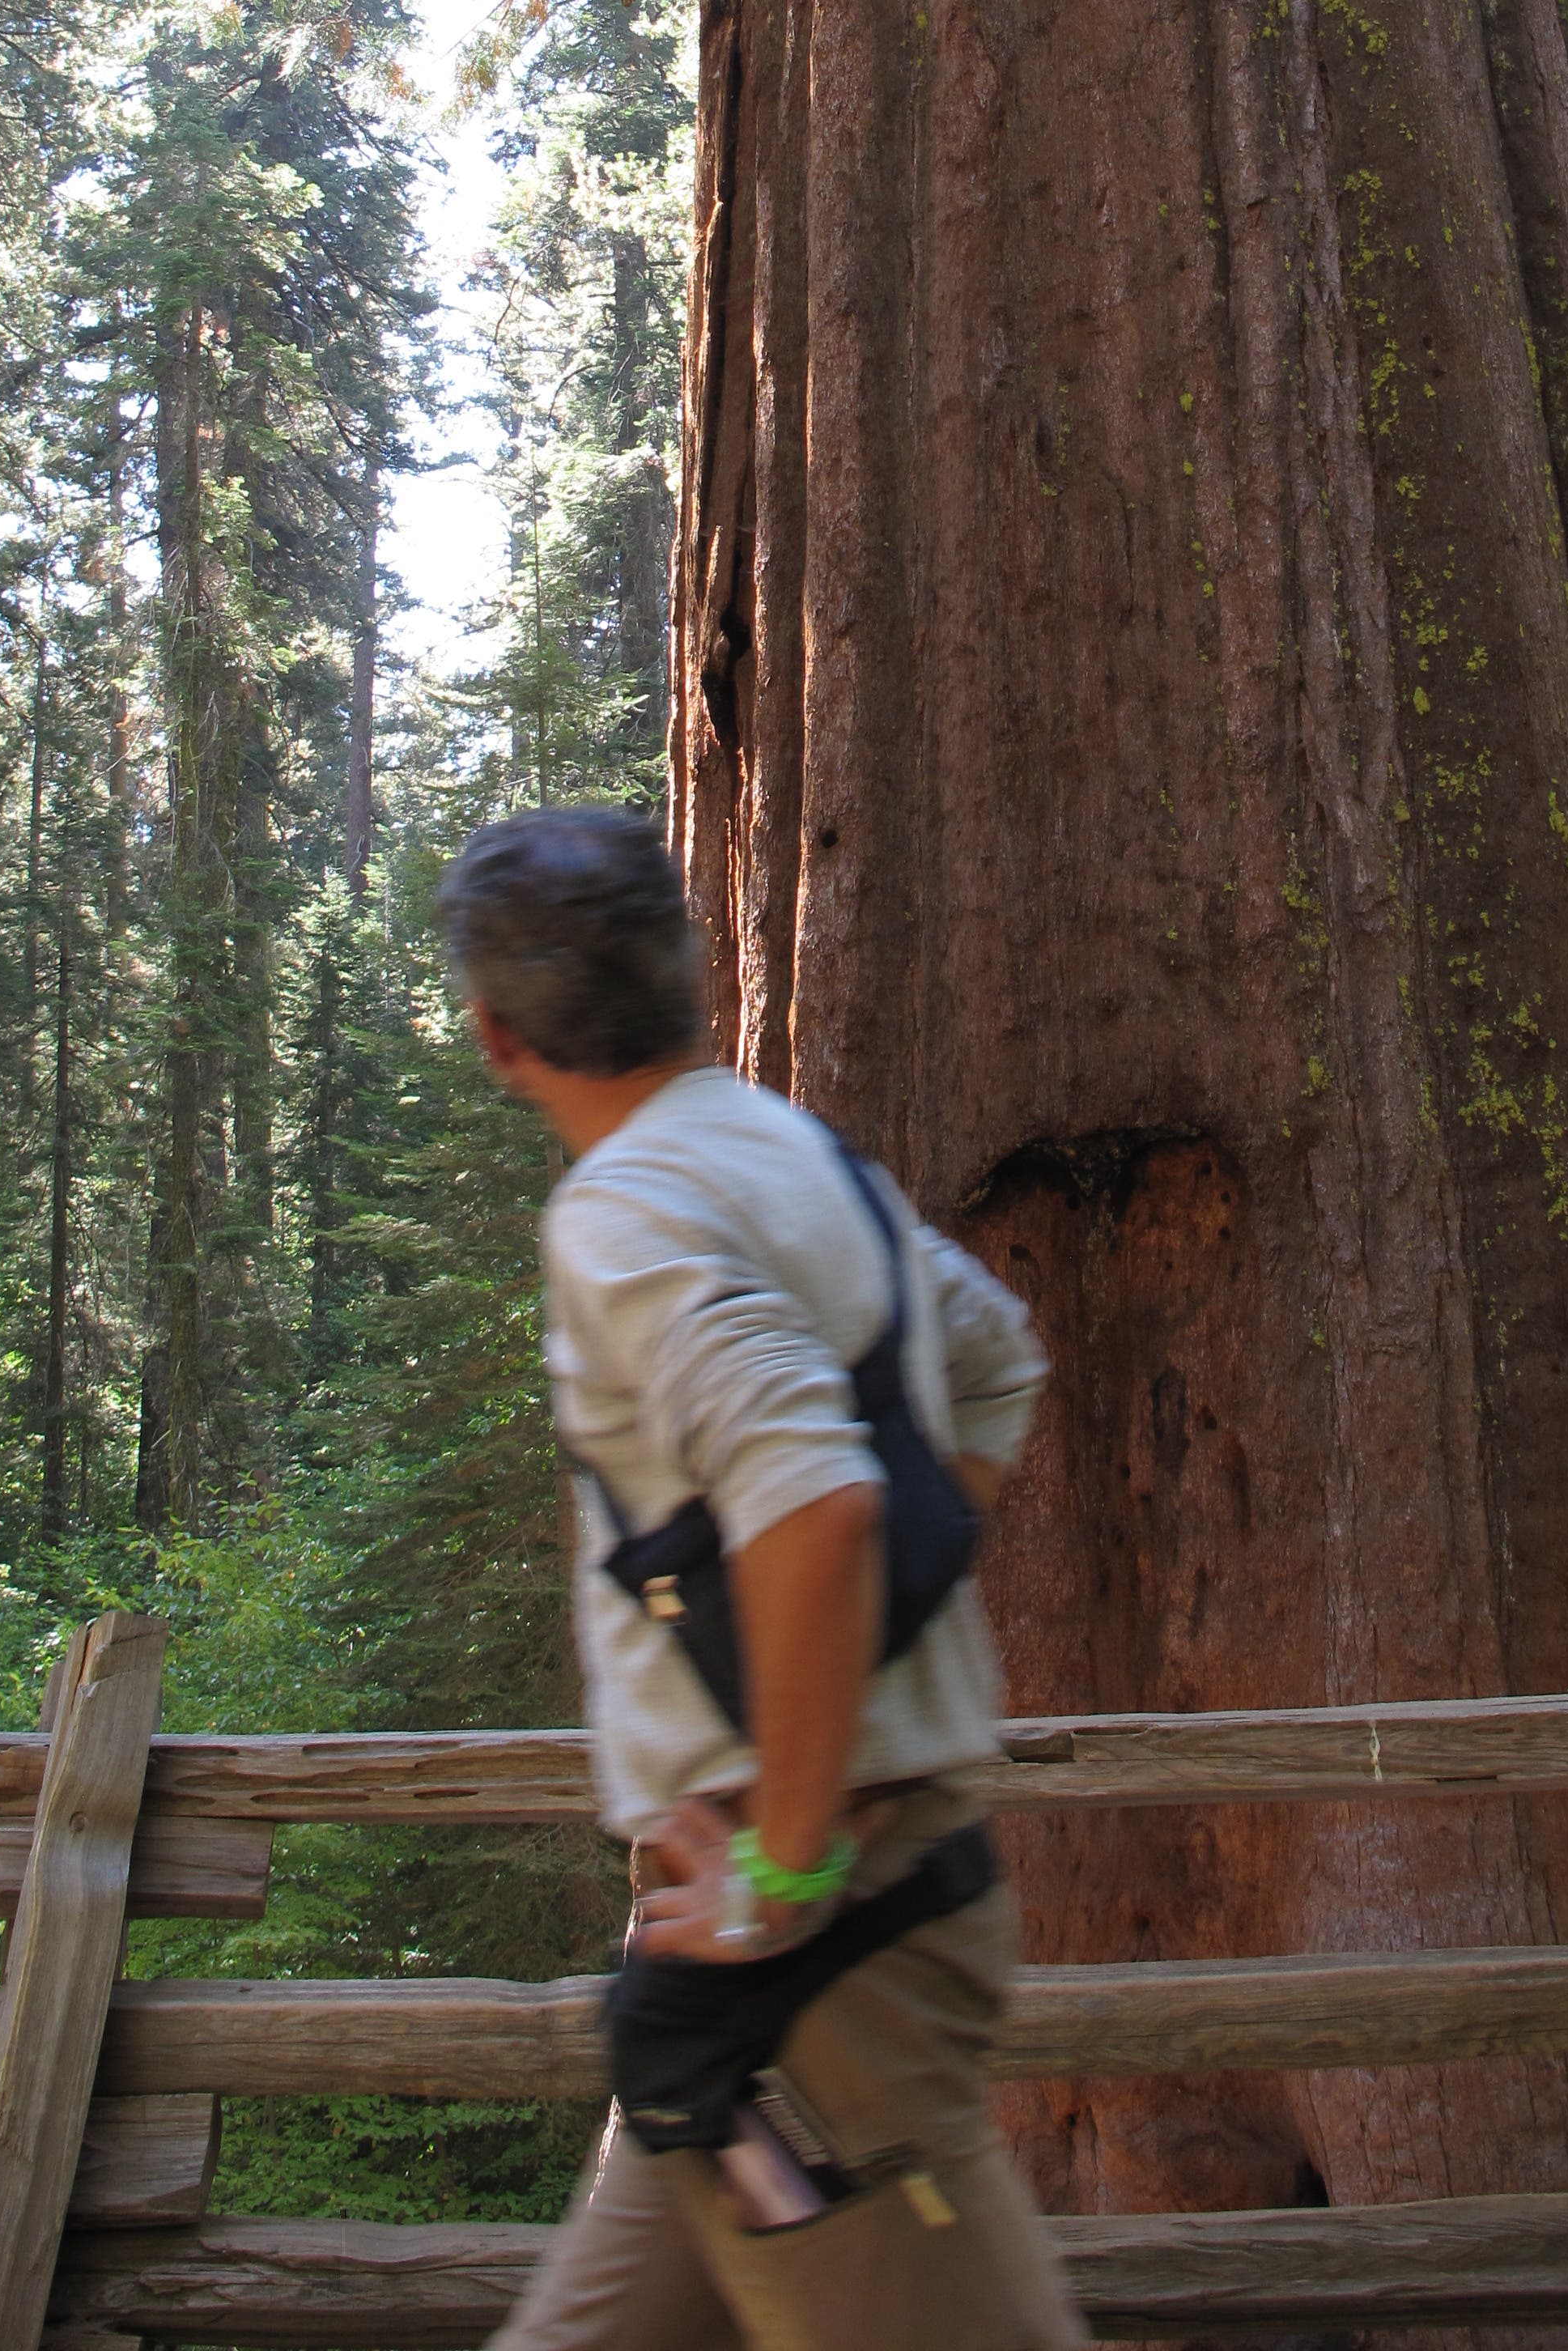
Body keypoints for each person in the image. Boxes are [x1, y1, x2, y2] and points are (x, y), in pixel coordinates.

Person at [438, 801, 1086, 2351]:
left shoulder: (627, 1212)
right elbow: (995, 1360)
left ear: (497, 1037)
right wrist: (883, 1641)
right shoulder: (801, 1156)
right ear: (690, 978)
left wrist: (787, 1865)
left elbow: (813, 1497)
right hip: (760, 1951)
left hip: (821, 1954)